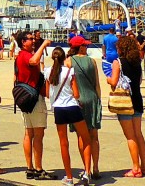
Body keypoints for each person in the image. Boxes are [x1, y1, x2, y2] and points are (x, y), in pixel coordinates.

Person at [46, 47, 92, 186]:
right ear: (63, 58)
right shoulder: (69, 71)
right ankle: (86, 172)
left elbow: (48, 94)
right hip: (72, 106)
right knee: (86, 138)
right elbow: (76, 93)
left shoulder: (48, 72)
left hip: (59, 109)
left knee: (63, 143)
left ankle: (69, 177)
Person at [107, 33, 145, 178]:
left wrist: (107, 79)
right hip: (137, 99)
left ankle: (135, 168)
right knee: (139, 134)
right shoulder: (137, 62)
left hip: (125, 101)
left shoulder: (118, 62)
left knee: (130, 136)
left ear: (121, 48)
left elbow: (113, 81)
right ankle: (144, 165)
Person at [16, 33, 53, 180]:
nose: (33, 41)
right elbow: (33, 61)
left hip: (25, 98)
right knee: (38, 135)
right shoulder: (25, 55)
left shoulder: (19, 56)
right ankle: (38, 168)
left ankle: (30, 167)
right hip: (34, 98)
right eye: (30, 39)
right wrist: (43, 45)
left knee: (28, 133)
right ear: (23, 42)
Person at [68, 34, 102, 179]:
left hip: (78, 101)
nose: (87, 47)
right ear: (80, 47)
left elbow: (69, 85)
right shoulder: (92, 61)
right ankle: (95, 167)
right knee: (94, 136)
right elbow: (97, 85)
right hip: (92, 99)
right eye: (85, 45)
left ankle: (86, 167)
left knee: (82, 137)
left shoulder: (68, 62)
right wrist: (99, 101)